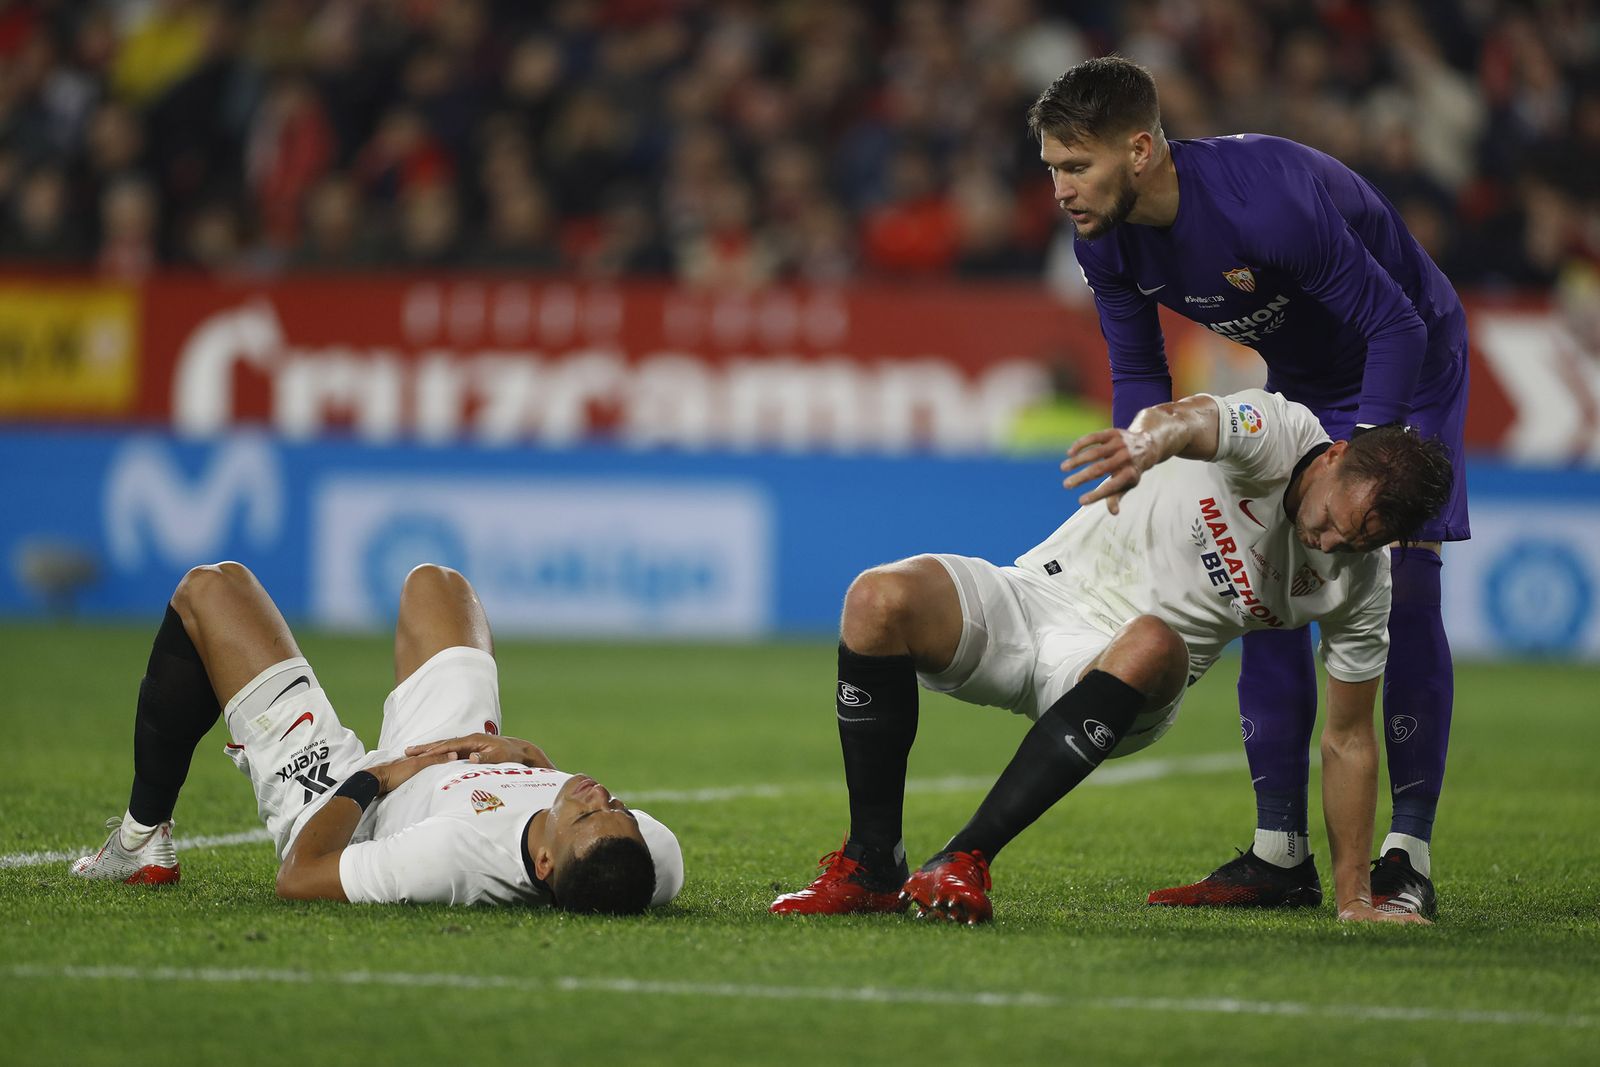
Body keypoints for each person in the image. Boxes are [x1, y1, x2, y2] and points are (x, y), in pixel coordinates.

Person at [1032, 57, 1470, 917]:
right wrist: (1136, 467)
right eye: (1051, 167)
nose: (1060, 189)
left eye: (1076, 166)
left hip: (1407, 360)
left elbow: (1396, 321)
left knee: (1403, 583)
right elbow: (1137, 370)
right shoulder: (1105, 237)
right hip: (1305, 370)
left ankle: (1405, 853)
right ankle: (1280, 853)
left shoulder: (1263, 201)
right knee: (1266, 578)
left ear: (1142, 149)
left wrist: (1363, 452)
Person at [770, 389, 1451, 925]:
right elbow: (1188, 419)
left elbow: (1350, 739)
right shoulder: (1282, 431)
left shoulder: (1360, 585)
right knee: (876, 598)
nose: (1332, 544)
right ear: (1333, 458)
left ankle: (965, 857)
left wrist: (1355, 897)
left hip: (1134, 677)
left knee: (1154, 637)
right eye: (1335, 519)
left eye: (1360, 541)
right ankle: (870, 866)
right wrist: (1143, 441)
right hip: (1036, 595)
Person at [70, 562, 684, 914]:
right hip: (457, 752)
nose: (599, 794)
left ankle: (141, 838)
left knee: (210, 590)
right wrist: (532, 761)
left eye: (587, 815)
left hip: (352, 802)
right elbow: (595, 820)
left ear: (545, 864)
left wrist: (378, 777)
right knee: (438, 585)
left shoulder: (448, 858)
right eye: (618, 807)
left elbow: (301, 876)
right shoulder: (653, 857)